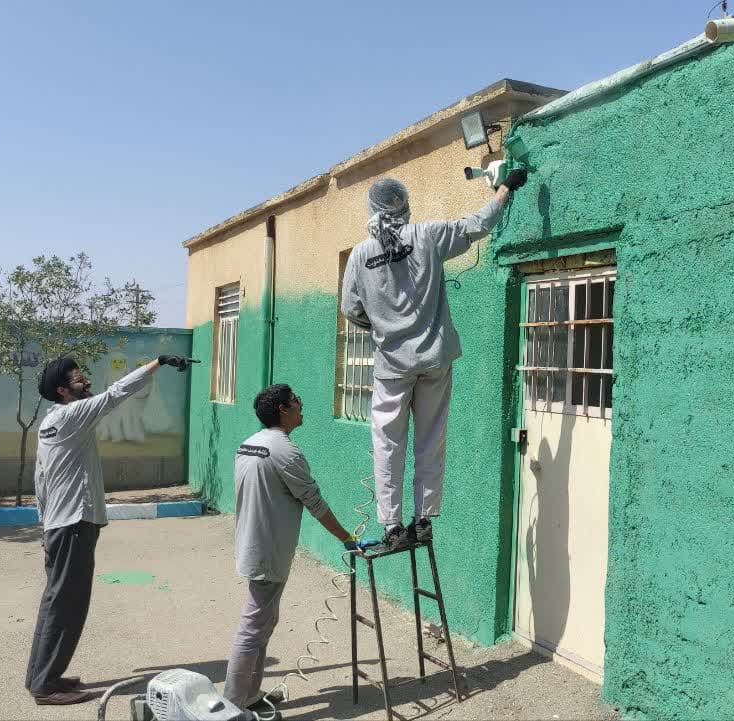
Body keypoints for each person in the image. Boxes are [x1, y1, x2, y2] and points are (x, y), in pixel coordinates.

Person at [340, 168, 529, 551]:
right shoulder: (427, 235)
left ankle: (392, 526)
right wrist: (505, 187)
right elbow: (476, 225)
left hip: (392, 365)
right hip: (434, 359)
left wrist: (381, 325)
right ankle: (423, 520)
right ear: (405, 207)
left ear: (372, 209)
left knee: (387, 444)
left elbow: (349, 308)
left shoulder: (360, 255)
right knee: (431, 439)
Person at [24, 353, 196, 705]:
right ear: (62, 390)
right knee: (68, 605)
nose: (86, 381)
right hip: (72, 525)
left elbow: (40, 477)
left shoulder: (51, 423)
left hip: (60, 524)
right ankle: (46, 686)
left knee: (55, 603)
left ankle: (42, 676)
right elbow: (117, 393)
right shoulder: (73, 415)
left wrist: (45, 521)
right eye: (78, 379)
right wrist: (157, 362)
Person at [223, 384, 365, 711]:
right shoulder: (286, 451)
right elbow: (314, 502)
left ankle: (248, 695)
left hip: (252, 543)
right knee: (254, 624)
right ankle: (232, 705)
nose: (301, 405)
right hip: (269, 550)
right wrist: (346, 537)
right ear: (284, 410)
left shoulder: (250, 444)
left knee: (263, 621)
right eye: (296, 401)